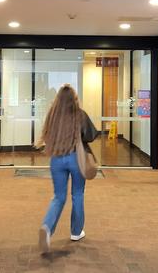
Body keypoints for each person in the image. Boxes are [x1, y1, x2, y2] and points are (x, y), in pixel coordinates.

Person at [35, 84, 98, 253]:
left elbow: (47, 136)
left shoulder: (52, 115)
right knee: (77, 194)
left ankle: (47, 228)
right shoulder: (80, 115)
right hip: (75, 158)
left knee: (58, 197)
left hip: (56, 159)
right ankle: (76, 232)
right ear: (74, 99)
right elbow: (92, 135)